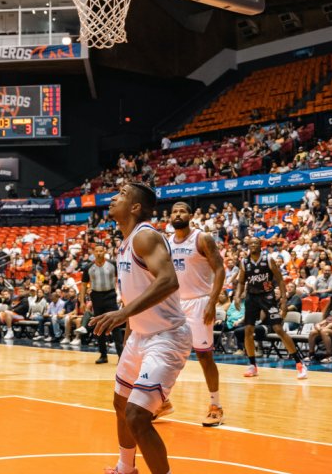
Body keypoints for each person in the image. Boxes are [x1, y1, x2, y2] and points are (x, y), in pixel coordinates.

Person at [90, 183, 191, 474]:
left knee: (136, 416)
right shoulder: (124, 243)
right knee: (121, 404)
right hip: (139, 336)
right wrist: (128, 334)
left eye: (121, 194)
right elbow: (136, 295)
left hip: (167, 337)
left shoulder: (145, 236)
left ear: (135, 207)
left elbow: (169, 281)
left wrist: (122, 314)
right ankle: (125, 468)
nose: (112, 198)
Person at [168, 201, 226, 427]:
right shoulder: (167, 242)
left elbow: (219, 268)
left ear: (191, 215)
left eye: (182, 210)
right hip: (175, 304)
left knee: (204, 356)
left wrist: (212, 302)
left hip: (200, 302)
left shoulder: (202, 238)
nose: (178, 213)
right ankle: (163, 402)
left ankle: (216, 405)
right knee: (167, 354)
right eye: (174, 211)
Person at [235, 238, 308, 379]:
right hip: (251, 297)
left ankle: (299, 364)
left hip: (267, 297)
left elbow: (280, 280)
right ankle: (252, 365)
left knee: (278, 329)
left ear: (261, 246)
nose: (253, 245)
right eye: (251, 244)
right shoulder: (244, 262)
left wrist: (283, 301)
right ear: (248, 246)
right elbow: (241, 281)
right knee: (248, 330)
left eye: (256, 243)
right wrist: (238, 295)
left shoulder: (268, 259)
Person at [85, 244, 122, 365]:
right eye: (96, 251)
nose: (99, 253)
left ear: (104, 251)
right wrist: (81, 301)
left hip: (110, 296)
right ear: (93, 252)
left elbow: (121, 279)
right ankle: (103, 355)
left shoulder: (112, 264)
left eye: (101, 251)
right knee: (99, 326)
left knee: (115, 325)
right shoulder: (89, 267)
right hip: (96, 297)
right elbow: (84, 284)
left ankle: (121, 356)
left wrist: (122, 294)